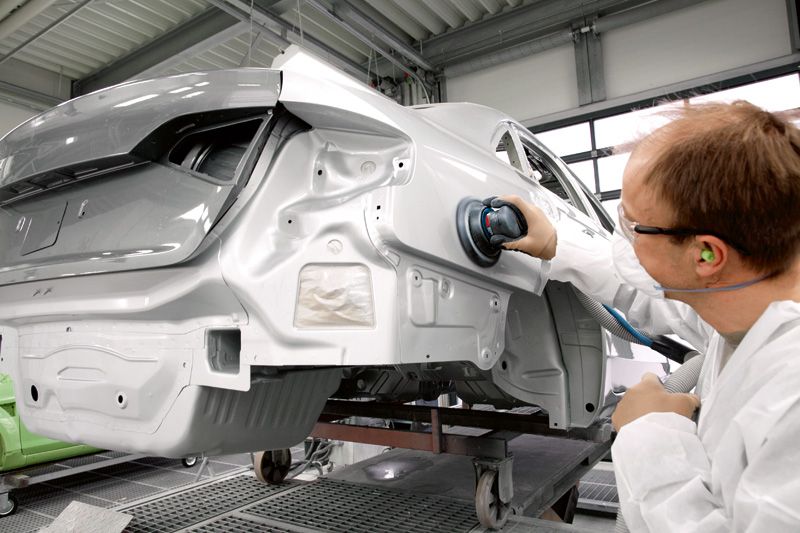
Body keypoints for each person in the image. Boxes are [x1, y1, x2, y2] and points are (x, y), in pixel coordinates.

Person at [495, 101, 800, 532]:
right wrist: (555, 245)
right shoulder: (742, 307)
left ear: (708, 254)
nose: (624, 235)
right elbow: (650, 296)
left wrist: (650, 433)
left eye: (634, 226)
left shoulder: (791, 399)